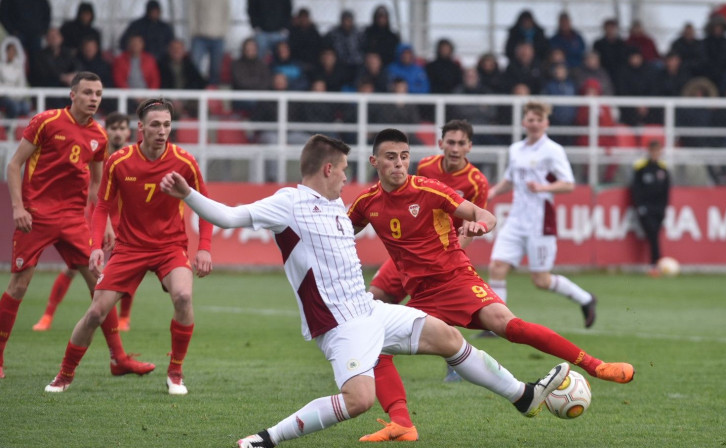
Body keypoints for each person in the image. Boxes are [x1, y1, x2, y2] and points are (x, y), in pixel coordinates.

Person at [158, 133, 571, 448]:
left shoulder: (338, 206)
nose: (346, 177)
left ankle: (523, 396)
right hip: (338, 324)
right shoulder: (288, 203)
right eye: (343, 170)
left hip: (369, 310)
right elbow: (228, 217)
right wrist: (187, 195)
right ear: (327, 170)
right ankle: (263, 440)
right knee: (359, 401)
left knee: (448, 337)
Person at [349, 128, 634, 441]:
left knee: (508, 326)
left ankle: (596, 366)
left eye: (404, 157)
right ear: (374, 161)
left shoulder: (429, 190)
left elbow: (482, 213)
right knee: (374, 345)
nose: (400, 164)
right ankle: (402, 423)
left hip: (455, 278)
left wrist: (480, 224)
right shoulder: (366, 203)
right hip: (422, 295)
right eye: (391, 158)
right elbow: (341, 233)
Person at [44, 98, 213, 394]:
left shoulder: (185, 161)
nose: (162, 131)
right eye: (155, 125)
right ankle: (65, 375)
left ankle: (175, 373)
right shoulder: (119, 161)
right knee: (96, 313)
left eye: (167, 125)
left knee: (184, 297)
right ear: (141, 128)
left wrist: (205, 248)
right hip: (129, 249)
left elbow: (205, 205)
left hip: (170, 248)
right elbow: (102, 206)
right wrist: (96, 245)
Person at [0, 72, 153, 380]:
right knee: (19, 285)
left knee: (101, 285)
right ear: (73, 95)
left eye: (98, 93)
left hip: (73, 219)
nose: (94, 98)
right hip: (36, 216)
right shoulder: (45, 121)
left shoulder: (99, 135)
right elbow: (14, 164)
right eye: (87, 92)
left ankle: (118, 358)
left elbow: (98, 185)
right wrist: (17, 207)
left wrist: (106, 222)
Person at [369, 120, 490, 380]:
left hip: (444, 250)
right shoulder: (425, 167)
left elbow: (473, 224)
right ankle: (365, 361)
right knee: (374, 299)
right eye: (451, 142)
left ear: (469, 147)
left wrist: (453, 255)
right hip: (408, 252)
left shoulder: (477, 181)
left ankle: (457, 359)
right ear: (441, 144)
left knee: (438, 308)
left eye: (460, 143)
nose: (455, 148)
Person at [488, 101, 598, 330]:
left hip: (540, 221)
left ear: (546, 123)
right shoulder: (515, 149)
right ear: (524, 122)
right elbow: (510, 180)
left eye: (539, 120)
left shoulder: (553, 150)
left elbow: (568, 184)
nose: (535, 124)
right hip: (516, 218)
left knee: (541, 280)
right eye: (531, 119)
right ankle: (497, 325)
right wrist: (491, 193)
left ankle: (585, 299)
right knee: (497, 267)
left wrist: (543, 188)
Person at [32, 112, 134, 332]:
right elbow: (93, 187)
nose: (117, 132)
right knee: (73, 267)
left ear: (128, 132)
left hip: (123, 220)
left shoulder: (134, 157)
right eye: (113, 128)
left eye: (122, 128)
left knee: (128, 269)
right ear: (107, 131)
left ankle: (124, 318)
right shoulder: (99, 154)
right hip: (97, 216)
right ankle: (47, 316)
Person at [631, 139, 670, 276]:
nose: (656, 154)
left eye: (658, 151)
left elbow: (666, 191)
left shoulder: (663, 169)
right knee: (653, 233)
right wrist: (640, 206)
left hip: (658, 209)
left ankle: (655, 264)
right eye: (654, 151)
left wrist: (665, 208)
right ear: (649, 151)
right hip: (646, 208)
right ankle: (656, 263)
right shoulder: (641, 168)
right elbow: (636, 189)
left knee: (655, 235)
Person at [187, 0, 229, 86]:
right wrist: (193, 32)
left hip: (218, 37)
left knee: (215, 68)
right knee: (194, 66)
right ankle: (195, 88)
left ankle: (213, 92)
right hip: (199, 36)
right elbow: (192, 12)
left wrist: (223, 32)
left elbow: (226, 13)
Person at [0, 35, 30, 118]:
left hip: (17, 96)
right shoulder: (1, 66)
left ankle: (19, 129)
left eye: (13, 50)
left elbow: (21, 83)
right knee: (14, 107)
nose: (11, 53)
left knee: (26, 107)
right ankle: (9, 129)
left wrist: (17, 94)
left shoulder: (18, 67)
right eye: (9, 50)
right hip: (3, 96)